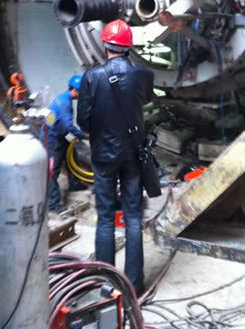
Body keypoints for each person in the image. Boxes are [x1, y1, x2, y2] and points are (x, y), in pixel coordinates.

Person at [77, 19, 154, 296]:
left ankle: (105, 283)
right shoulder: (144, 74)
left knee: (106, 218)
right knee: (133, 217)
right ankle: (135, 284)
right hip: (133, 154)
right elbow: (145, 102)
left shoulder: (92, 77)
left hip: (103, 156)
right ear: (128, 47)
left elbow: (83, 122)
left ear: (105, 45)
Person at [47, 75, 87, 212]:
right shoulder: (65, 103)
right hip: (53, 139)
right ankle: (53, 204)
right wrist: (83, 135)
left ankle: (74, 184)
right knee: (53, 171)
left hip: (61, 135)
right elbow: (68, 126)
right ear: (75, 90)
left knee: (72, 157)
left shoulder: (66, 98)